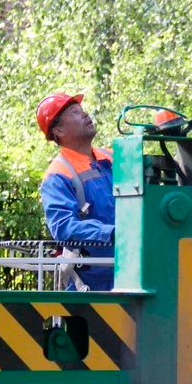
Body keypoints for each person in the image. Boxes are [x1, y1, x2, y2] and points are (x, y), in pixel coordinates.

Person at [36, 92, 115, 291]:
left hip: (134, 275)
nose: (85, 114)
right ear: (59, 130)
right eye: (74, 112)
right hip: (91, 285)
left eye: (81, 110)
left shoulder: (113, 158)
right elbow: (63, 227)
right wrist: (110, 233)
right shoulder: (58, 175)